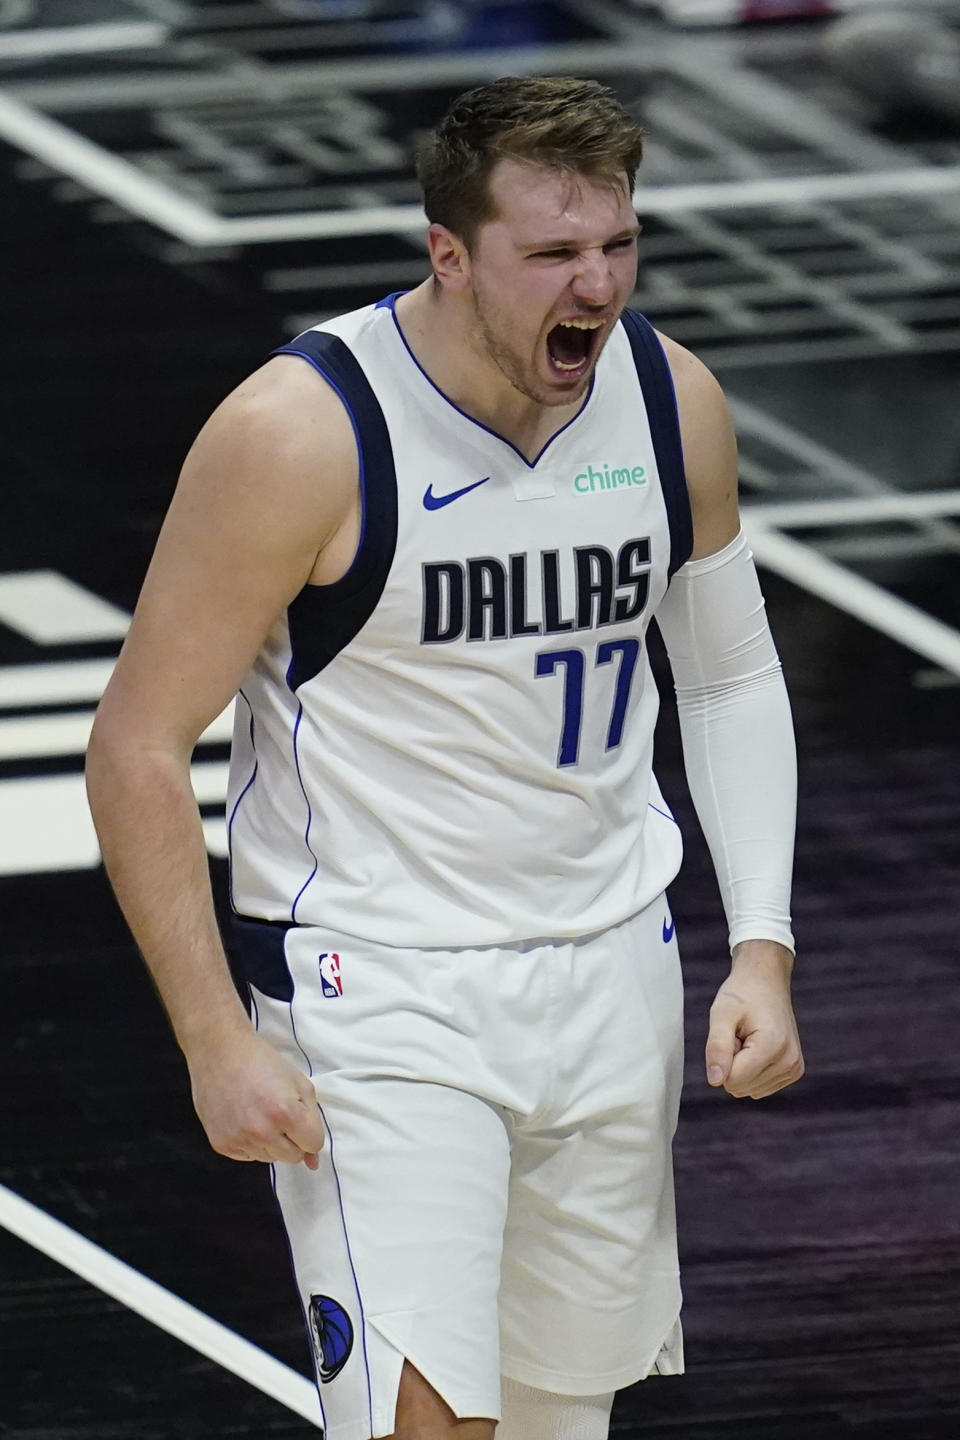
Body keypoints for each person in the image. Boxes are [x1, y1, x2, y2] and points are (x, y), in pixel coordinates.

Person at [86, 75, 803, 1440]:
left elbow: (728, 674)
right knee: (428, 1427)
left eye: (617, 247)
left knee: (555, 1423)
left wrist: (759, 944)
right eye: (553, 254)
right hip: (386, 992)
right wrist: (211, 1039)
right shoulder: (298, 435)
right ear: (450, 254)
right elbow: (135, 744)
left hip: (612, 971)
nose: (594, 284)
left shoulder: (668, 400)